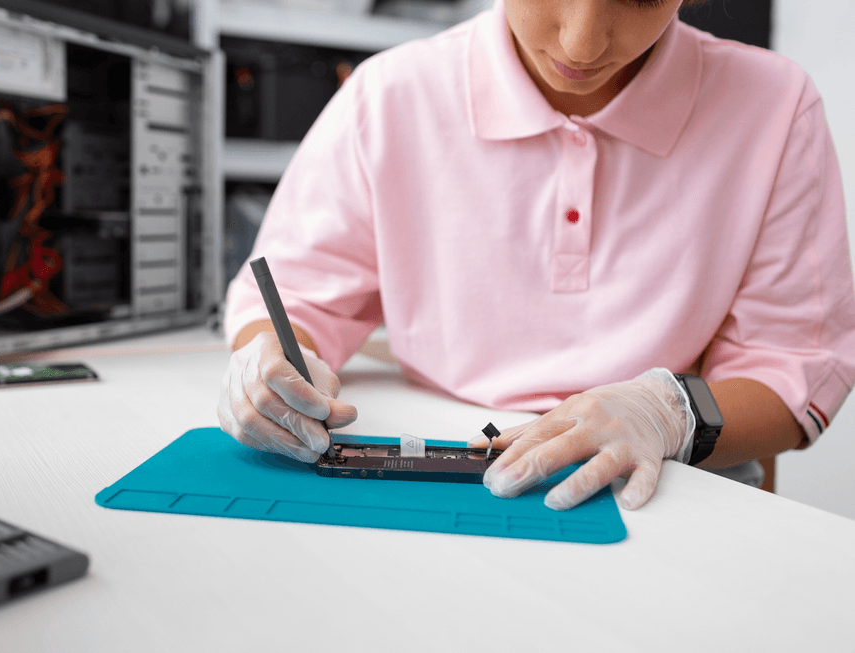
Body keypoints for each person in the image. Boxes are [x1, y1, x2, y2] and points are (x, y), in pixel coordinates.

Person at [218, 0, 855, 511]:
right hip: (427, 467)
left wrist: (670, 414)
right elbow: (293, 299)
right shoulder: (388, 96)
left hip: (660, 490)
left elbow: (798, 367)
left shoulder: (775, 107)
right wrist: (271, 361)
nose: (582, 44)